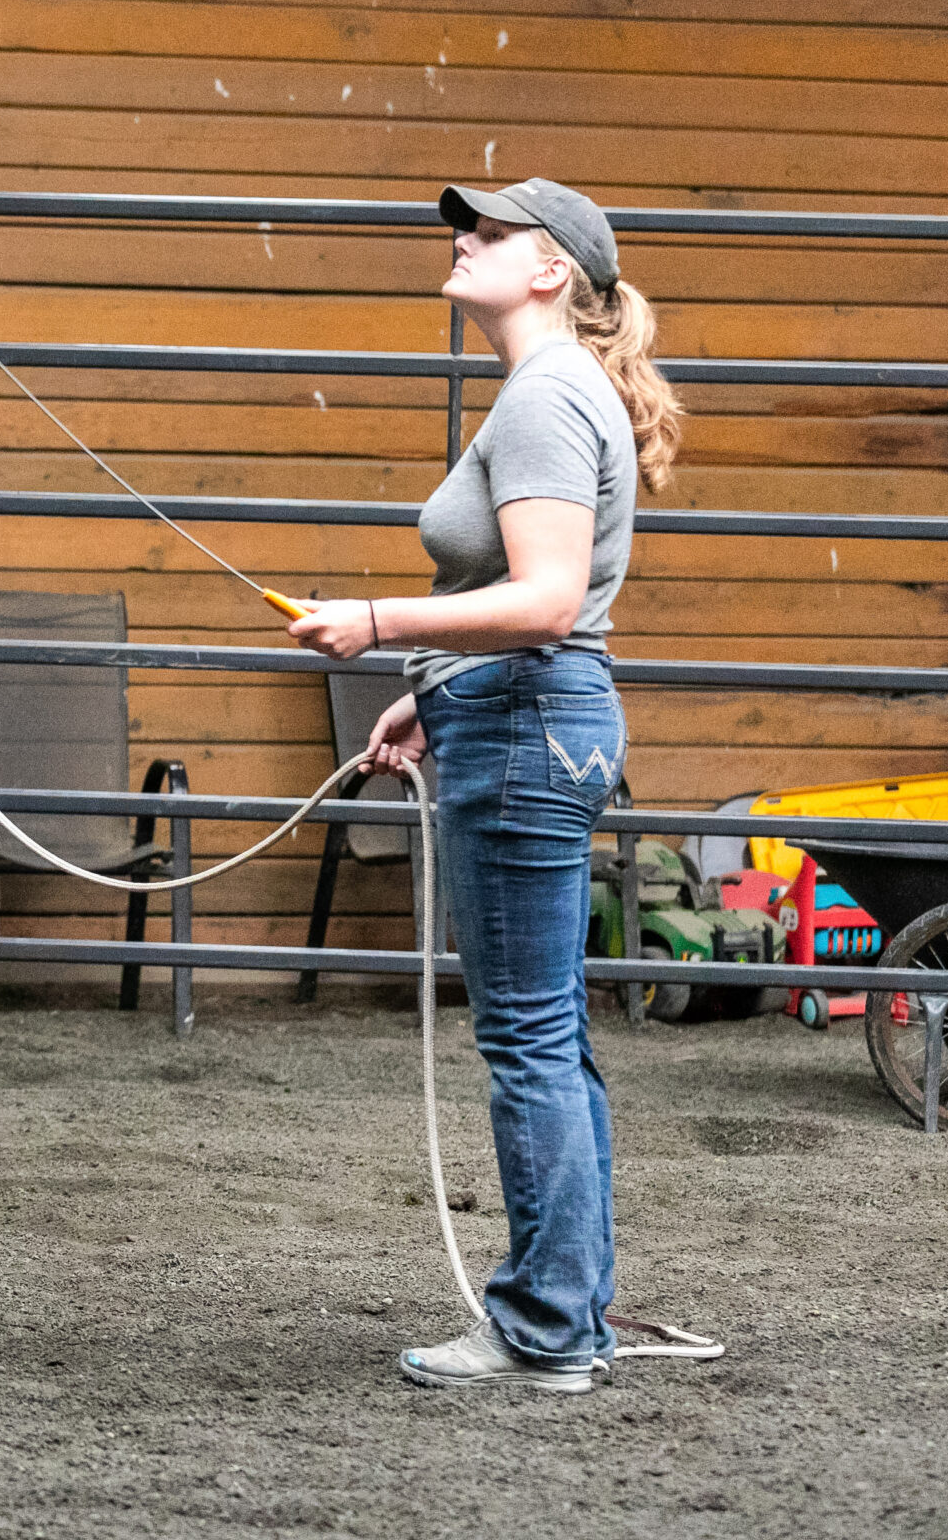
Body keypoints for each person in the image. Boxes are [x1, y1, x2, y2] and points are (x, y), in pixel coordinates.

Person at [287, 178, 683, 1395]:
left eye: (494, 233)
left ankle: (547, 1330)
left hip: (526, 731)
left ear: (553, 271)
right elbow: (546, 611)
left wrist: (375, 622)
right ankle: (572, 1313)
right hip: (525, 718)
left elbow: (550, 600)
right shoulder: (559, 389)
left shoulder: (546, 396)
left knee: (525, 1039)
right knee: (549, 1036)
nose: (464, 241)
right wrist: (433, 685)